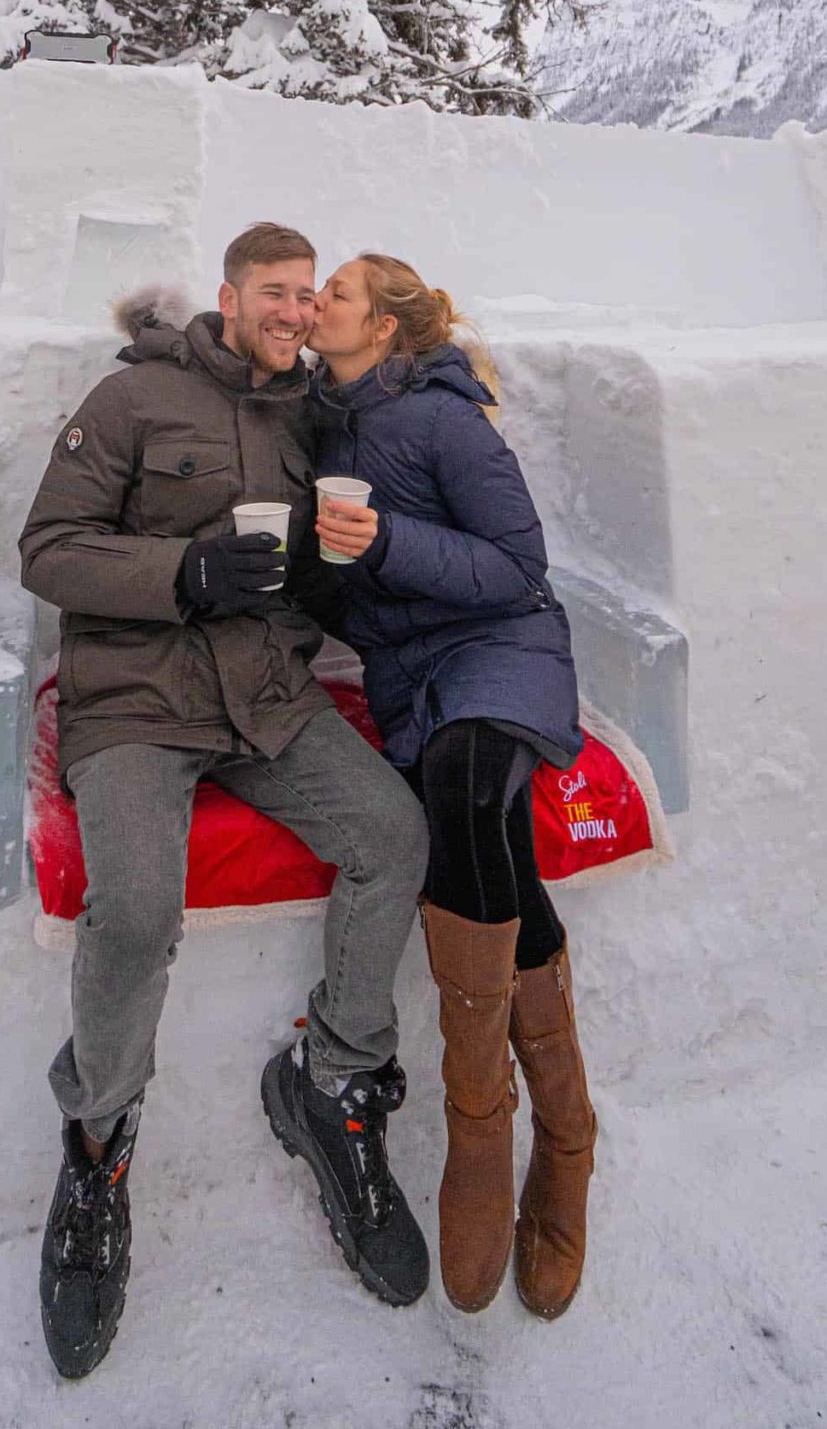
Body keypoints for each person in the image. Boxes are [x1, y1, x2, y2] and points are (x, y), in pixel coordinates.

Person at [19, 223, 431, 1380]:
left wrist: (329, 565)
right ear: (229, 295)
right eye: (274, 292)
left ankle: (334, 1083)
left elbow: (317, 567)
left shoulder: (314, 415)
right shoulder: (137, 396)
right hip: (138, 702)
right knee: (138, 905)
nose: (295, 311)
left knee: (392, 835)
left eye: (309, 295)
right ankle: (98, 1145)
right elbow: (47, 548)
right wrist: (180, 574)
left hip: (263, 695)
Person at [307, 254, 597, 1322]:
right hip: (413, 672)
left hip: (501, 645)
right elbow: (359, 606)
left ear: (381, 327)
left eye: (336, 293)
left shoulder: (445, 421)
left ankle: (489, 1126)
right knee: (476, 819)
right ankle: (567, 1130)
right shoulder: (325, 428)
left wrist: (385, 536)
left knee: (473, 789)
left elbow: (519, 567)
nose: (317, 307)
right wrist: (319, 569)